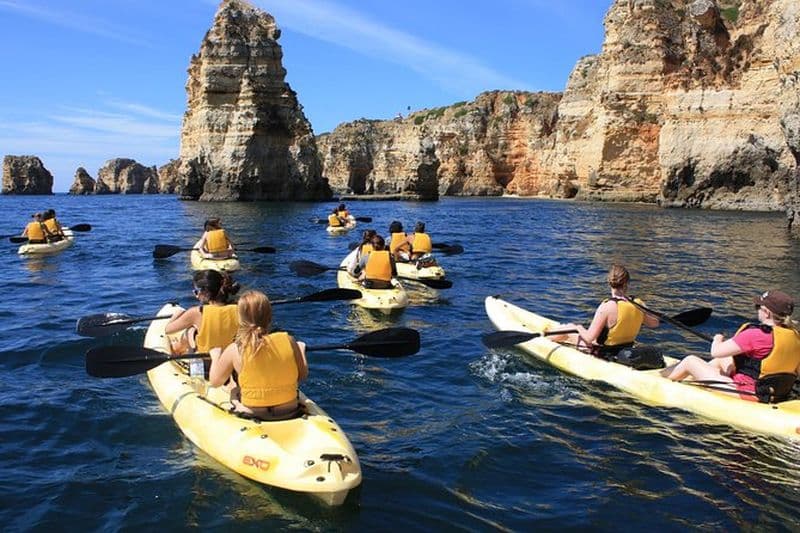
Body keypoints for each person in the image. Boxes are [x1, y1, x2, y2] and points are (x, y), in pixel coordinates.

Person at [663, 290, 800, 400]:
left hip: (749, 392)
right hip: (777, 392)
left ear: (767, 313)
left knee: (690, 361)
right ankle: (692, 376)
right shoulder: (794, 335)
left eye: (758, 307)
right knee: (723, 360)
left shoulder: (755, 334)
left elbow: (716, 351)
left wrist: (718, 339)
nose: (756, 309)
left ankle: (662, 379)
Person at [209, 290, 308, 420]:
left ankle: (238, 405)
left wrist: (215, 356)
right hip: (289, 409)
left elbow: (215, 382)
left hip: (252, 412)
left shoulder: (235, 349)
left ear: (240, 319)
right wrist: (300, 350)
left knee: (234, 390)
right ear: (270, 317)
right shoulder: (289, 340)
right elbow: (302, 375)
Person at [551, 264, 659, 358]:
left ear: (609, 282)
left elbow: (589, 338)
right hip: (626, 350)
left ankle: (544, 340)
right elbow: (654, 323)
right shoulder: (638, 303)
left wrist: (578, 328)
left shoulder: (607, 306)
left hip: (603, 353)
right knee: (573, 331)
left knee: (570, 328)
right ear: (627, 282)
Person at [165, 270, 241, 356]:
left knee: (189, 331)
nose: (195, 294)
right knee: (193, 330)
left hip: (206, 362)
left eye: (196, 291)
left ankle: (177, 348)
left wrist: (176, 315)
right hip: (228, 360)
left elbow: (168, 330)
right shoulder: (238, 309)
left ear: (204, 292)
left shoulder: (196, 312)